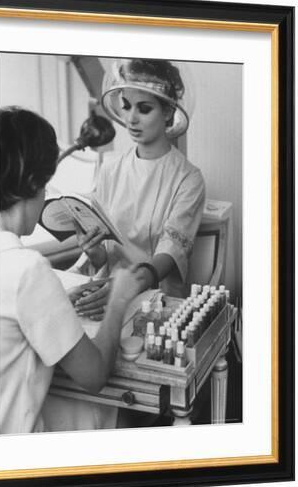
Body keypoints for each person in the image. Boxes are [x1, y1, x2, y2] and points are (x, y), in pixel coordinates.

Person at [0, 106, 143, 434]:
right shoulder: (26, 269)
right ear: (34, 184)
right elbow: (94, 376)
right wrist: (118, 300)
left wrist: (57, 299)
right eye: (46, 183)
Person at [71, 58, 206, 320]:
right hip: (106, 295)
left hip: (156, 303)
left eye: (144, 109)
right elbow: (106, 252)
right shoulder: (111, 168)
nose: (131, 118)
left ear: (167, 112)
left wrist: (124, 288)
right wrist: (94, 251)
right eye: (126, 106)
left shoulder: (188, 179)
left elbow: (169, 254)